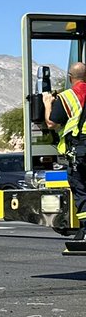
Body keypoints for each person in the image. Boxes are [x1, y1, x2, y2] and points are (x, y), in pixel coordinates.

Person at [42, 62, 86, 221]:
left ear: (70, 77)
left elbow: (51, 123)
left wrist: (48, 104)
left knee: (81, 189)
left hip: (80, 151)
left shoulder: (67, 97)